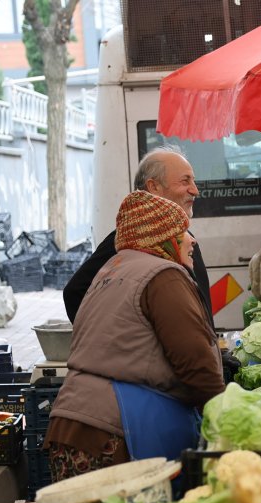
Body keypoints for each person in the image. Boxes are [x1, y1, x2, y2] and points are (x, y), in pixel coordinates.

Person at [47, 191, 226, 481]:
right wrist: (227, 419)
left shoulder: (112, 269)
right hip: (113, 436)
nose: (192, 240)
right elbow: (196, 363)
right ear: (162, 239)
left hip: (71, 427)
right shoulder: (163, 275)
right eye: (181, 232)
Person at [64, 147, 212, 330]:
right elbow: (75, 292)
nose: (195, 190)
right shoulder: (129, 240)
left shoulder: (185, 238)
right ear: (154, 187)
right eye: (185, 181)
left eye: (194, 181)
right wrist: (123, 340)